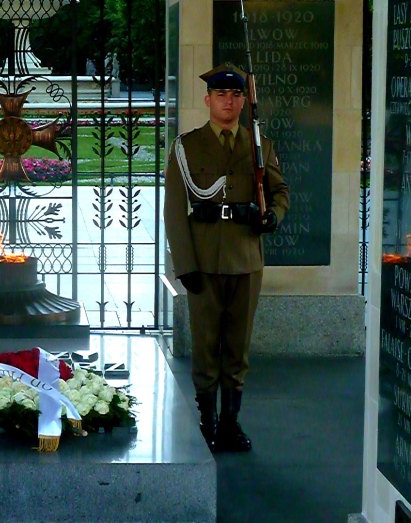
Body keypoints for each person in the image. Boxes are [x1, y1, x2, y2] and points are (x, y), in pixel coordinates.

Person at [164, 62, 289, 453]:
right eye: (221, 95)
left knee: (237, 347)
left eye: (236, 95)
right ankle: (208, 421)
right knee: (206, 346)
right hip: (202, 260)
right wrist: (185, 265)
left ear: (242, 101)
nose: (229, 102)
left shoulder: (259, 146)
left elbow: (280, 192)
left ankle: (231, 424)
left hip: (245, 260)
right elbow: (173, 209)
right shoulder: (187, 146)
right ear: (208, 100)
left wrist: (273, 215)